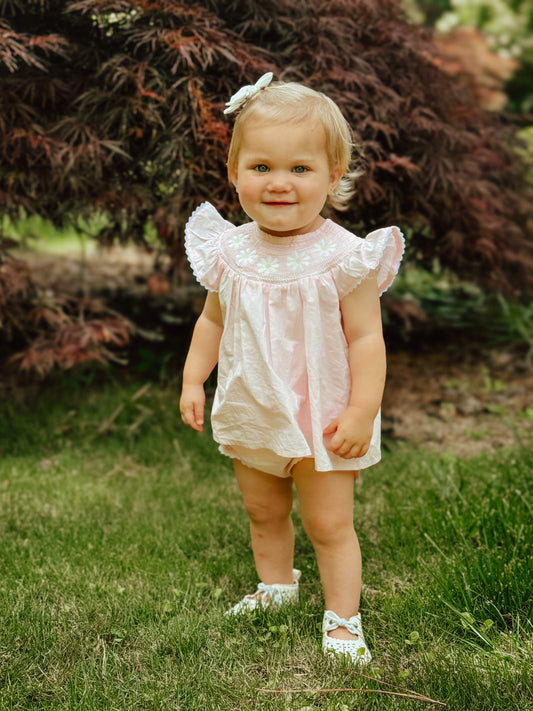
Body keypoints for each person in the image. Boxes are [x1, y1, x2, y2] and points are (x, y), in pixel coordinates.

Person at [179, 73, 404, 664]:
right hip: (254, 405)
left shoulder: (344, 258)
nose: (279, 183)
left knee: (329, 524)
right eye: (261, 167)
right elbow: (212, 322)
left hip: (324, 417)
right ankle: (276, 585)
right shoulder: (229, 250)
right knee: (263, 509)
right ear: (235, 173)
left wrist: (361, 411)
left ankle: (343, 620)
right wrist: (192, 379)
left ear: (334, 175)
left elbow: (366, 340)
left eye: (300, 169)